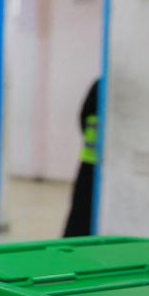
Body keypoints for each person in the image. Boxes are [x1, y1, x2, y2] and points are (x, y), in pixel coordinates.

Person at [63, 79, 100, 237]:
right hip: (94, 164)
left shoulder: (100, 85)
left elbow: (83, 117)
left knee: (80, 213)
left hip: (90, 162)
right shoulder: (103, 85)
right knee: (82, 213)